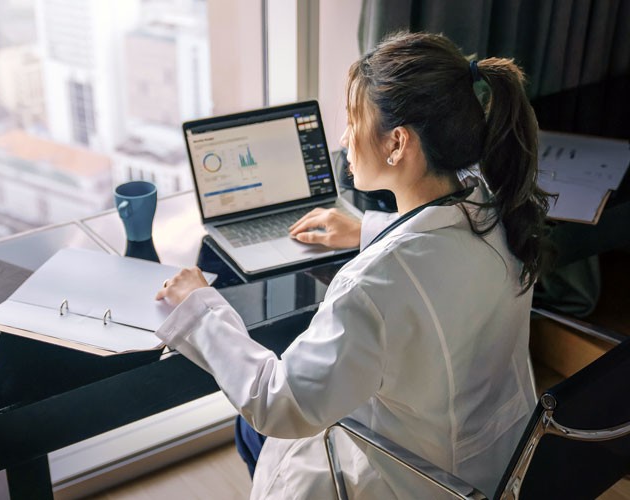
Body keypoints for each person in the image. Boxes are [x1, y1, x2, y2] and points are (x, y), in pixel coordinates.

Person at [155, 31, 553, 499]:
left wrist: (201, 308)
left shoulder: (372, 284)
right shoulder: (500, 214)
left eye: (353, 120)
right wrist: (367, 229)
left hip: (420, 481)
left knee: (252, 429)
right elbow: (437, 252)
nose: (344, 138)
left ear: (397, 143)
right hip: (498, 465)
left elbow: (279, 405)